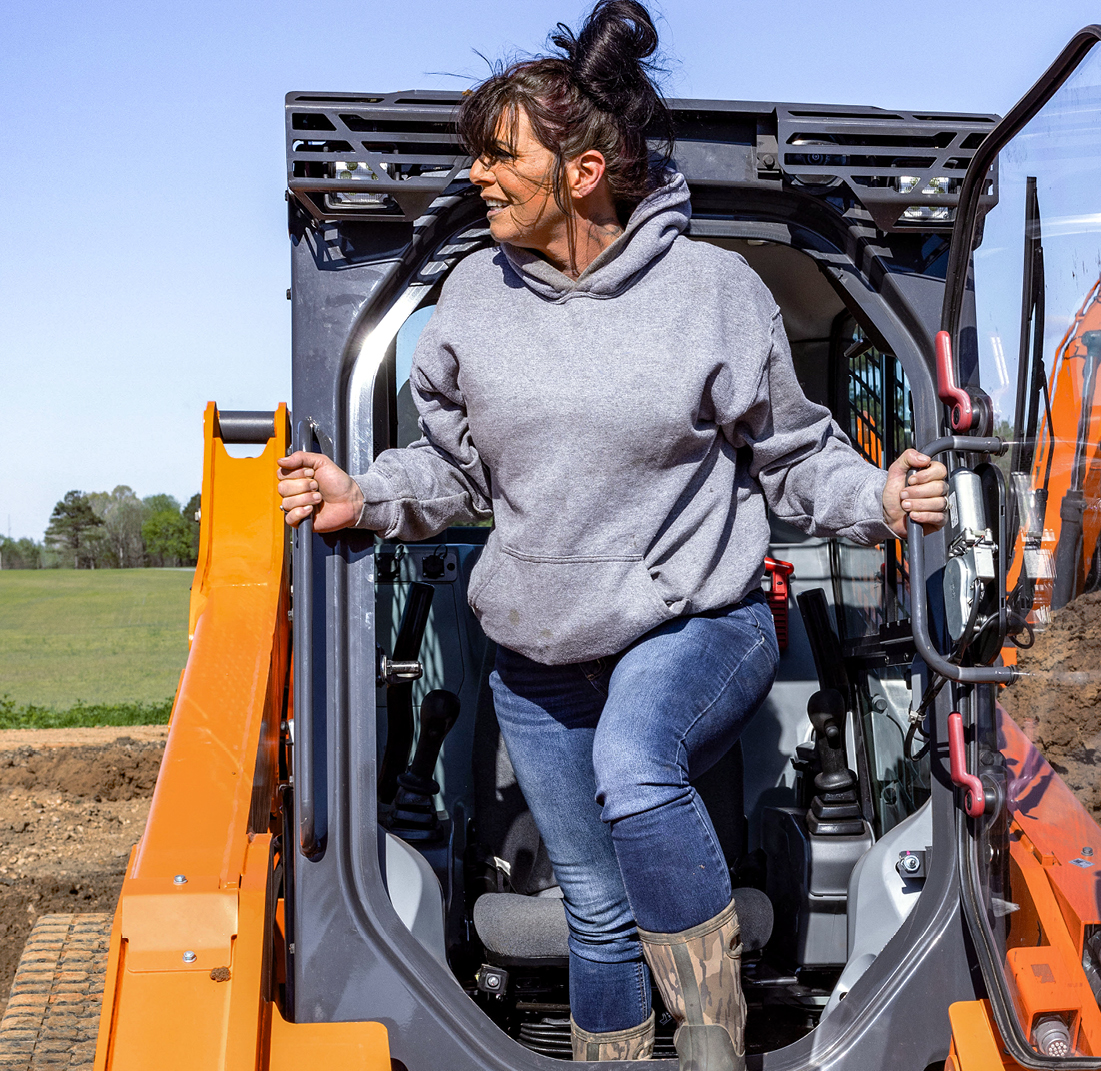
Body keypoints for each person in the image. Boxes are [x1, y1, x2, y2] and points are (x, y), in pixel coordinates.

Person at [275, 2, 946, 1065]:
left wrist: (880, 498)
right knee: (594, 909)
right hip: (537, 659)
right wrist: (367, 494)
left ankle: (712, 1029)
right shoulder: (468, 301)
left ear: (583, 171)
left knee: (637, 763)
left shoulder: (712, 294)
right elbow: (452, 470)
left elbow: (794, 454)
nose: (479, 179)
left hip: (698, 622)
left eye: (500, 158)